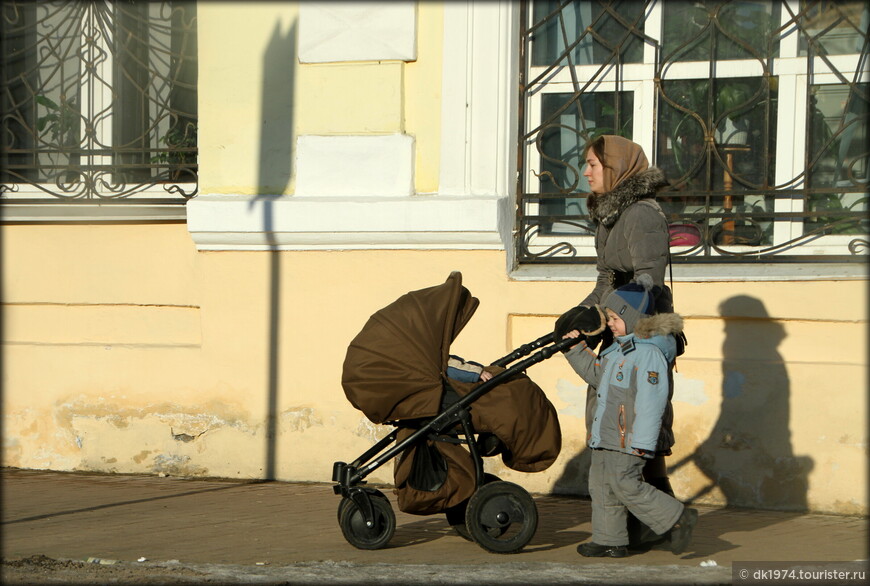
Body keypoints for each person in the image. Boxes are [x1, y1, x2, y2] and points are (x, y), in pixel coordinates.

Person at [555, 135, 678, 527]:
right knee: (618, 420)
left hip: (641, 327)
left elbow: (646, 284)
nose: (586, 172)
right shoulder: (610, 215)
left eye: (593, 164)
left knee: (637, 421)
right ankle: (641, 520)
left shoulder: (642, 214)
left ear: (616, 168)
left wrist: (612, 320)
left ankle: (658, 517)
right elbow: (606, 279)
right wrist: (581, 313)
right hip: (620, 325)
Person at [562, 279, 697, 557]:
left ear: (632, 317)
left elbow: (651, 403)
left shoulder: (648, 354)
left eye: (614, 317)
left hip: (630, 437)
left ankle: (677, 518)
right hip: (607, 434)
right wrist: (574, 349)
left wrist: (643, 442)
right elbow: (597, 376)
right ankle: (609, 538)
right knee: (601, 486)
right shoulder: (618, 349)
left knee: (626, 484)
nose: (609, 323)